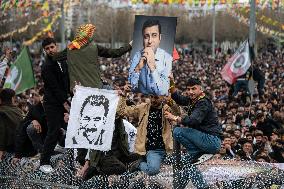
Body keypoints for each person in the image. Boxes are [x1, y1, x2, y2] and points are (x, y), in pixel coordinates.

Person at [164, 77, 222, 189]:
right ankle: (197, 186)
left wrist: (175, 117)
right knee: (187, 164)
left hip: (210, 140)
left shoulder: (203, 102)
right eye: (188, 89)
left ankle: (194, 151)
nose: (190, 92)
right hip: (204, 140)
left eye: (194, 89)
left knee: (177, 131)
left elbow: (194, 120)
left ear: (201, 89)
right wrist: (171, 83)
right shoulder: (193, 100)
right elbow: (179, 99)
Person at [53, 23, 132, 90]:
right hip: (95, 87)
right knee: (115, 93)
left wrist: (50, 50)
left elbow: (55, 57)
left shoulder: (70, 48)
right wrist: (129, 46)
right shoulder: (94, 47)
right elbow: (115, 53)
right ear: (88, 35)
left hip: (77, 89)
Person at [121, 93, 180, 176]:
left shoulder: (167, 108)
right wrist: (123, 96)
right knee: (153, 170)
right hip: (151, 149)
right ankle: (137, 164)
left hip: (166, 148)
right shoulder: (143, 107)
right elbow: (123, 111)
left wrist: (170, 101)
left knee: (183, 165)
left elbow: (178, 113)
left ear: (162, 97)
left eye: (156, 97)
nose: (152, 100)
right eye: (151, 97)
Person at [40, 37, 71, 173]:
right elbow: (54, 87)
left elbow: (66, 81)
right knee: (53, 131)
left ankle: (69, 152)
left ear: (56, 46)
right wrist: (65, 103)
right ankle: (44, 162)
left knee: (70, 127)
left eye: (52, 47)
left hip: (63, 99)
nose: (50, 50)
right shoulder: (46, 66)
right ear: (45, 51)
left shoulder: (62, 60)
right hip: (52, 103)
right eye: (47, 49)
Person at [129, 19, 172, 96]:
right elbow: (130, 87)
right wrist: (138, 68)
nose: (149, 41)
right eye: (146, 36)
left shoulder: (168, 58)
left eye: (154, 35)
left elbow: (163, 92)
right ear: (143, 39)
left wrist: (152, 67)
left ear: (160, 38)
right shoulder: (137, 56)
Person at [0, 88, 23, 160]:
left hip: (6, 149)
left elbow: (2, 131)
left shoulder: (1, 111)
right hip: (18, 148)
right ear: (12, 98)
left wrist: (1, 149)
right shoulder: (18, 110)